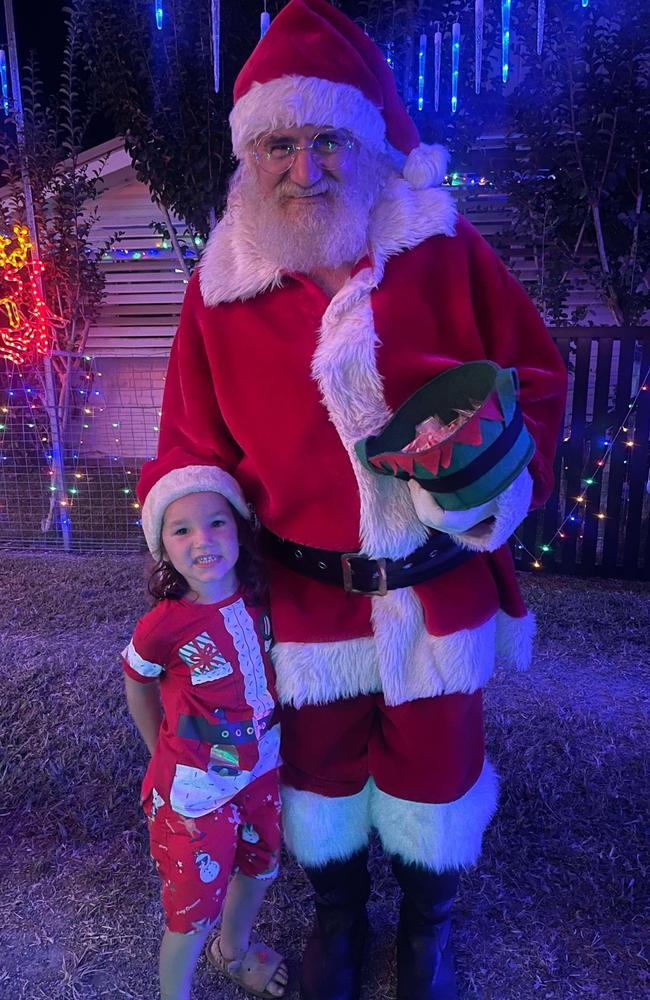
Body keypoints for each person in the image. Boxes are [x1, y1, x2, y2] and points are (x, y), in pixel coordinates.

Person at [138, 2, 568, 998]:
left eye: (326, 138)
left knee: (436, 765)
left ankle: (428, 934)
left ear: (366, 140)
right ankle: (338, 920)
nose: (304, 167)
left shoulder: (442, 250)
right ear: (252, 153)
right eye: (279, 144)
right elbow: (189, 439)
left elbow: (534, 378)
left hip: (436, 583)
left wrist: (495, 482)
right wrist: (194, 524)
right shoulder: (220, 288)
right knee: (320, 775)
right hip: (305, 594)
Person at [122, 453, 288, 1000]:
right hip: (195, 792)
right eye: (182, 529)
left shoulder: (264, 598)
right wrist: (157, 752)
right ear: (162, 546)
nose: (203, 540)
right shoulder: (163, 626)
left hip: (262, 768)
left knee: (261, 868)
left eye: (217, 522)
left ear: (239, 529)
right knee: (193, 910)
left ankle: (233, 952)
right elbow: (137, 680)